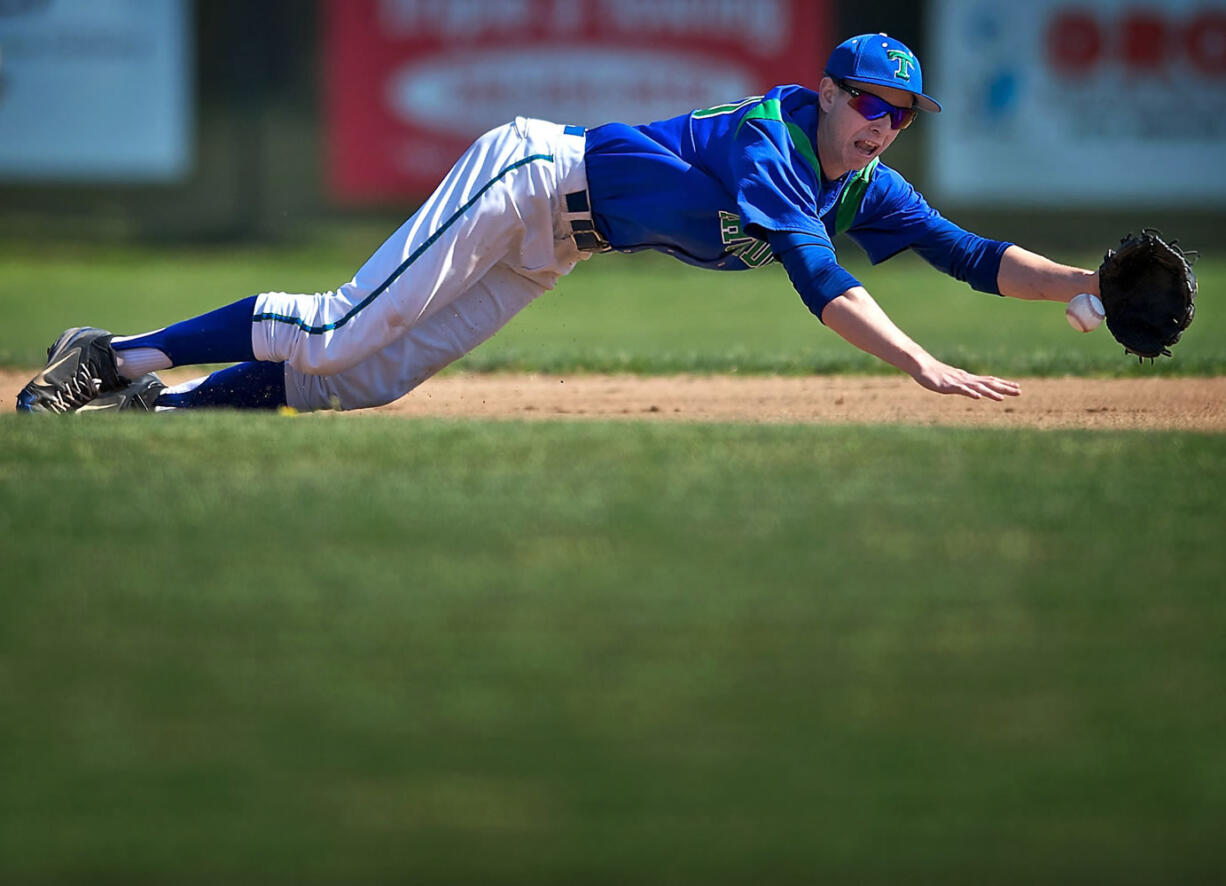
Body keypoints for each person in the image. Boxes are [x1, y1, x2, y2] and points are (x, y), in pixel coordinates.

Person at [17, 33, 1099, 415]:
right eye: (869, 103)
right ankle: (108, 353)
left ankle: (151, 416)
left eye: (900, 115)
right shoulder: (771, 141)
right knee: (339, 327)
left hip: (562, 243)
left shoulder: (862, 181)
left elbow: (970, 256)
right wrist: (916, 362)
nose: (883, 126)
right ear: (824, 91)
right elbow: (818, 280)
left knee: (364, 379)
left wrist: (1083, 283)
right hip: (532, 175)